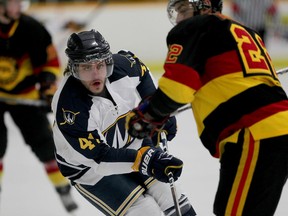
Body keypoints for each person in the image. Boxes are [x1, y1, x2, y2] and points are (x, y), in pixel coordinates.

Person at [126, 0, 288, 215]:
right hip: (276, 129)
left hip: (253, 131)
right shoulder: (244, 31)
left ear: (205, 5)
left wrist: (147, 115)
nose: (179, 19)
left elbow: (178, 88)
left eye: (184, 9)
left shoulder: (196, 27)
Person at [51, 28, 196, 216]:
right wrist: (146, 160)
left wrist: (157, 112)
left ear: (108, 62)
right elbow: (100, 157)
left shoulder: (124, 66)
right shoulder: (70, 107)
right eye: (86, 67)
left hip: (133, 144)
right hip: (89, 170)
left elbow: (142, 75)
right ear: (74, 68)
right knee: (145, 211)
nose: (95, 74)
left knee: (171, 196)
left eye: (99, 65)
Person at [0, 0, 78, 212]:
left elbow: (50, 63)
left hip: (26, 95)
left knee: (44, 145)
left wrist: (47, 88)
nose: (20, 6)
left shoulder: (31, 28)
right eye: (15, 2)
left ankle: (62, 189)